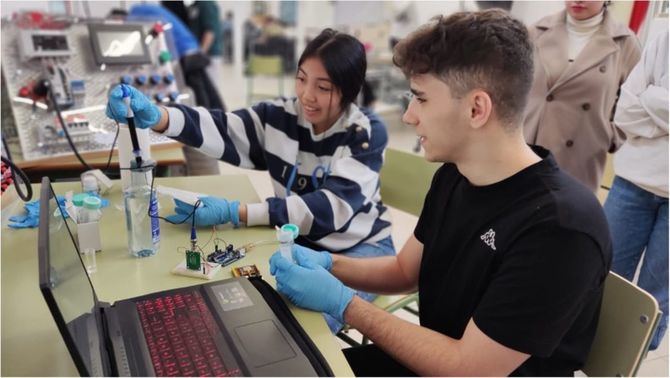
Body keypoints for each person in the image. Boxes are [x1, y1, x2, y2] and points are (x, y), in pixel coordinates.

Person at [269, 10, 613, 376]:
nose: (408, 116)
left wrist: (344, 304)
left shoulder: (559, 228)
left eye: (421, 99)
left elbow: (469, 368)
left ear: (477, 109)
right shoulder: (455, 175)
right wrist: (328, 264)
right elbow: (404, 271)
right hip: (432, 359)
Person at [105, 29, 395, 333]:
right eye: (301, 79)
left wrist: (238, 212)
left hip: (364, 251)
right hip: (301, 242)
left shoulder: (365, 133)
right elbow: (222, 128)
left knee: (300, 330)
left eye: (323, 87)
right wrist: (158, 116)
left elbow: (327, 211)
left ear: (348, 91)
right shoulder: (281, 117)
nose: (307, 95)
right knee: (249, 311)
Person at [523, 1, 640, 192]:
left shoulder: (625, 43)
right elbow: (514, 87)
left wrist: (609, 136)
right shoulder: (537, 31)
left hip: (581, 157)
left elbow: (635, 104)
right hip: (528, 148)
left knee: (564, 217)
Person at [604, 30, 669, 351]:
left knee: (653, 303)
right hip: (631, 184)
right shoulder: (665, 36)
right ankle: (580, 358)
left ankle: (626, 366)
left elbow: (641, 103)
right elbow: (626, 112)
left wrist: (654, 97)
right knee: (601, 278)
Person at [127, 3, 223, 176]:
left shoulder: (135, 15)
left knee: (192, 111)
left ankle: (198, 170)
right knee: (197, 111)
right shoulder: (151, 11)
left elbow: (210, 31)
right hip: (190, 56)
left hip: (188, 59)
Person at [188, 1, 224, 93]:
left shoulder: (207, 4)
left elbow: (210, 32)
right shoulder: (195, 5)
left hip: (209, 55)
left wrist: (201, 54)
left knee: (210, 91)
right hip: (200, 54)